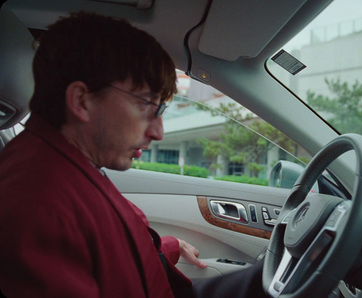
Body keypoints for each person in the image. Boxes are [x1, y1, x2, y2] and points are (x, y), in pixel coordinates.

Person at [0, 11, 265, 298]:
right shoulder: (39, 204)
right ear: (82, 100)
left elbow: (107, 253)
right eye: (146, 105)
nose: (159, 132)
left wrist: (166, 248)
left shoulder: (65, 168)